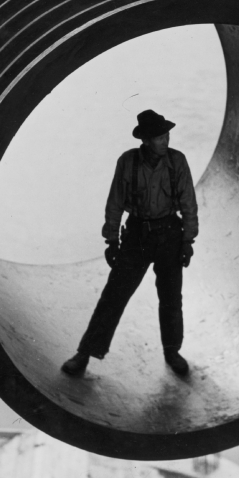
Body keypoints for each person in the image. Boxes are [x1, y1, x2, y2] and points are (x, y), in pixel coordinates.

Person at [61, 109, 198, 378]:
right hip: (137, 236)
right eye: (159, 137)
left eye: (167, 134)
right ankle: (84, 354)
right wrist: (112, 241)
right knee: (113, 296)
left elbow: (189, 205)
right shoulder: (127, 162)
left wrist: (187, 241)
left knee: (171, 299)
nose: (165, 140)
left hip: (170, 234)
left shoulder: (177, 161)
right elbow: (115, 204)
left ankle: (172, 352)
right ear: (145, 140)